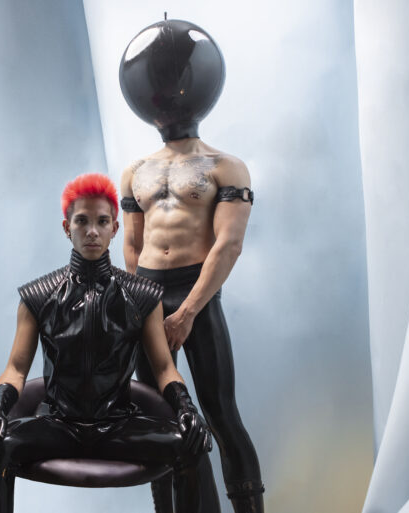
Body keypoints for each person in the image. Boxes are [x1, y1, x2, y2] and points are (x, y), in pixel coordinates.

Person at [0, 173, 214, 513]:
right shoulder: (38, 296)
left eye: (101, 222)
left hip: (120, 425)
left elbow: (163, 367)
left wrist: (187, 409)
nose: (92, 231)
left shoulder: (142, 296)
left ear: (115, 228)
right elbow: (16, 369)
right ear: (67, 228)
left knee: (192, 445)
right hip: (57, 424)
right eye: (82, 221)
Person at [119, 19, 264, 513]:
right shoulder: (134, 172)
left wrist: (188, 312)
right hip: (147, 297)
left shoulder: (226, 166)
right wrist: (138, 307)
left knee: (221, 415)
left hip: (195, 294)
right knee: (157, 421)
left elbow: (228, 245)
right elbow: (132, 246)